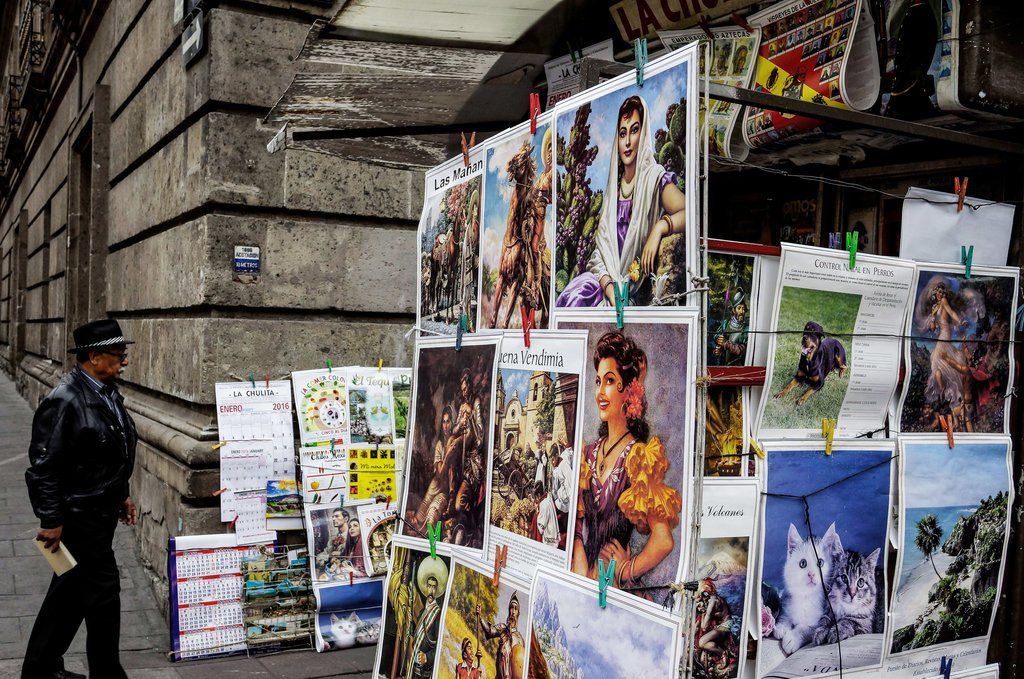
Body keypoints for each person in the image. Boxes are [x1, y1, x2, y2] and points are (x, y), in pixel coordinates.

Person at [23, 319, 138, 679]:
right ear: (93, 357)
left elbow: (109, 455)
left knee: (70, 592)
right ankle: (107, 673)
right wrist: (50, 520)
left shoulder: (106, 392)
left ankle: (41, 669)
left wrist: (122, 495)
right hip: (79, 516)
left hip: (99, 511)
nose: (124, 360)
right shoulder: (65, 400)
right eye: (118, 354)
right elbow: (44, 466)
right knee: (104, 594)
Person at [571, 331, 681, 591]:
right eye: (598, 381)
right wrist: (578, 554)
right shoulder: (588, 453)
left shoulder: (638, 458)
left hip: (614, 590)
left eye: (610, 381)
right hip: (581, 578)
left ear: (629, 391)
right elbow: (576, 519)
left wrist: (625, 570)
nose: (600, 392)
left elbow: (663, 540)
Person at [557, 95, 686, 307]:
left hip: (630, 288)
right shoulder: (613, 191)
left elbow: (688, 212)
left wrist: (659, 228)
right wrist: (609, 287)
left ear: (643, 134)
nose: (627, 142)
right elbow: (599, 253)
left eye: (634, 130)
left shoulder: (654, 179)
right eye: (622, 133)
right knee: (577, 295)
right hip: (604, 286)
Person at [412, 406, 454, 530]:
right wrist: (448, 455)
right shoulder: (440, 445)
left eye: (448, 422)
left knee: (432, 515)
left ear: (452, 423)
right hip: (434, 486)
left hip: (445, 491)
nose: (445, 426)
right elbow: (440, 473)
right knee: (418, 518)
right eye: (444, 422)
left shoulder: (455, 442)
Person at [476, 592, 526, 679]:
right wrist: (480, 616)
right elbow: (489, 631)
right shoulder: (502, 628)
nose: (513, 611)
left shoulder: (520, 639)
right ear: (509, 610)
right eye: (511, 607)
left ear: (518, 613)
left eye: (516, 608)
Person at [405, 572, 443, 679]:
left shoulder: (438, 614)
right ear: (426, 588)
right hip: (414, 667)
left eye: (434, 587)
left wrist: (427, 657)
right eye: (429, 586)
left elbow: (440, 646)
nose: (431, 591)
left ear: (436, 590)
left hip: (425, 672)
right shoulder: (422, 611)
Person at [549, 445, 573, 538]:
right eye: (551, 459)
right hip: (559, 500)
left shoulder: (564, 466)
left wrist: (564, 497)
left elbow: (570, 484)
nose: (552, 462)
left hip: (565, 502)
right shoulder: (558, 466)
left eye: (553, 459)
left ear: (556, 455)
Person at [533, 481, 559, 547]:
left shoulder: (544, 504)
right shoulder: (548, 497)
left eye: (536, 497)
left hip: (549, 537)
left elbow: (541, 527)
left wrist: (536, 512)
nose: (536, 499)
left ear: (539, 495)